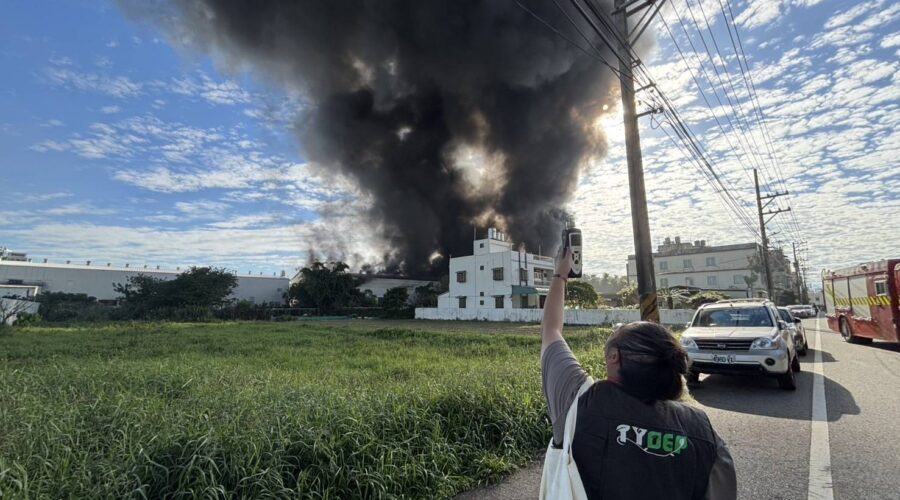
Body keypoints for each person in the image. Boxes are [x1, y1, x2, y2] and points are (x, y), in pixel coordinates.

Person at [541, 248, 737, 500]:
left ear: (614, 356)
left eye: (619, 330)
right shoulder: (704, 432)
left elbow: (551, 330)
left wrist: (560, 275)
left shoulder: (577, 403)